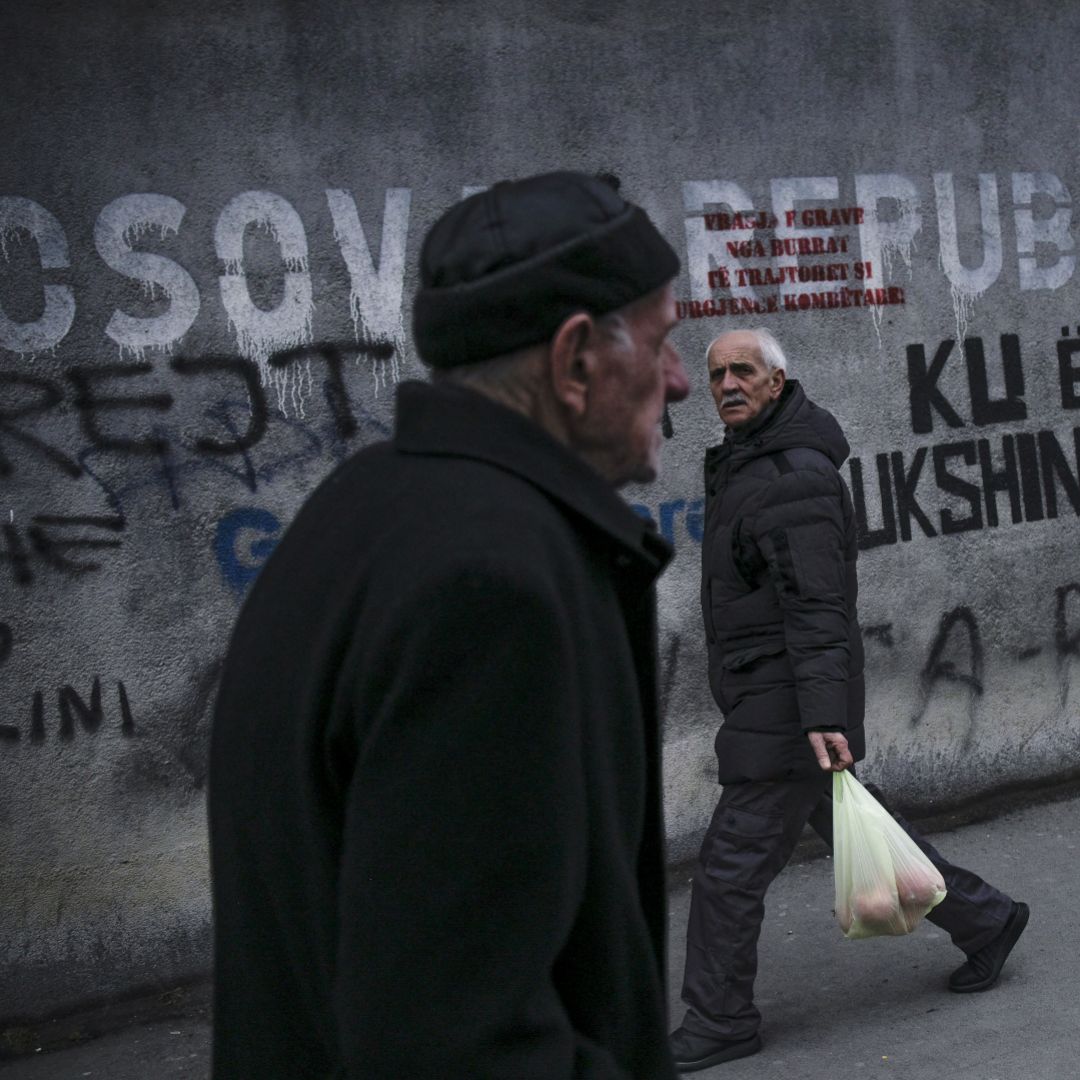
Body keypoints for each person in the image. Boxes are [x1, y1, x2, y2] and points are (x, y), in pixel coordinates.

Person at [208, 171, 691, 1080]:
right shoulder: (489, 588)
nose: (678, 379)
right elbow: (459, 1040)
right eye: (664, 342)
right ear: (576, 360)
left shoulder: (363, 504)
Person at [669, 328, 1028, 1072]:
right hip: (777, 692)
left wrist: (825, 715)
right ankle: (985, 919)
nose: (727, 384)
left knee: (729, 871)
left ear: (777, 381)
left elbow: (818, 606)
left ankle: (720, 1018)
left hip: (786, 700)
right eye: (716, 375)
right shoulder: (751, 462)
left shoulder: (789, 475)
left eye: (744, 371)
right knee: (854, 826)